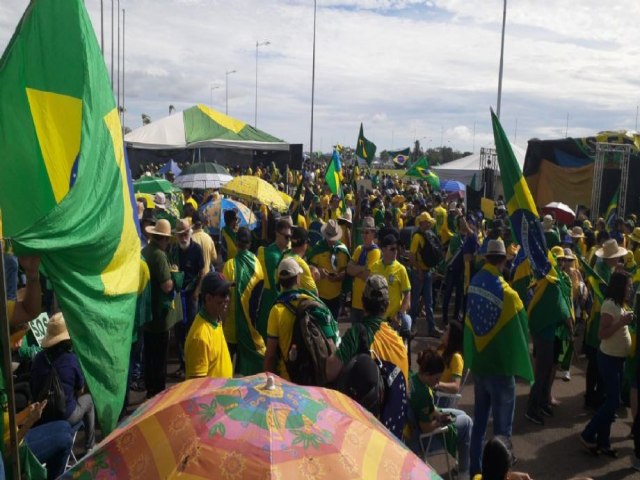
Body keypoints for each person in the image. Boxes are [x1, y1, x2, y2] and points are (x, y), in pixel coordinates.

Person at [465, 239, 533, 476]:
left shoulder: (474, 283)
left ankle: (476, 472)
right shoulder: (509, 295)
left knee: (479, 425)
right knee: (503, 435)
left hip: (480, 367)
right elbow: (522, 333)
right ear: (504, 261)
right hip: (501, 371)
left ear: (486, 259)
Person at [580, 270, 633, 457]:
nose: (631, 289)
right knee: (611, 402)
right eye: (628, 286)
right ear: (620, 287)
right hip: (609, 359)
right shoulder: (609, 305)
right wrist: (622, 323)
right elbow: (602, 334)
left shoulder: (619, 305)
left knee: (612, 402)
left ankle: (604, 442)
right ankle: (588, 433)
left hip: (617, 359)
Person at [325, 275, 408, 387]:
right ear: (387, 305)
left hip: (364, 404)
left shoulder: (357, 333)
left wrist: (330, 344)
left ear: (362, 302)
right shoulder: (399, 342)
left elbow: (330, 372)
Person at [29, 313, 96, 453]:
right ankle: (90, 446)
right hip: (66, 416)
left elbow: (33, 387)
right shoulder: (71, 360)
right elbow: (80, 389)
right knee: (88, 400)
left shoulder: (38, 360)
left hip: (41, 417)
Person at [264, 258, 339, 381]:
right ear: (298, 278)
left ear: (279, 280)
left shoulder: (276, 310)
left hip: (288, 378)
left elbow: (270, 355)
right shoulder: (313, 303)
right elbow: (332, 340)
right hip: (314, 377)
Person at [407, 347, 472, 480]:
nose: (437, 383)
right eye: (436, 379)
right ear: (427, 374)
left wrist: (438, 415)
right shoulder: (423, 394)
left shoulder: (414, 378)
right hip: (425, 439)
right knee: (467, 423)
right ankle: (463, 472)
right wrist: (441, 420)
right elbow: (426, 428)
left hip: (418, 427)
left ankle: (462, 467)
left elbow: (428, 411)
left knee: (462, 413)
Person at [141, 218, 182, 397]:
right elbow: (166, 285)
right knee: (159, 358)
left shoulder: (146, 250)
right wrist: (176, 277)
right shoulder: (158, 255)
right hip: (160, 315)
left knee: (149, 354)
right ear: (163, 238)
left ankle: (150, 388)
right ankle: (157, 393)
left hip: (148, 312)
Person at [222, 227, 266, 376]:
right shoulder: (257, 265)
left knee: (226, 368)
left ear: (236, 243)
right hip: (250, 327)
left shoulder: (229, 265)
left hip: (230, 328)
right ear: (250, 243)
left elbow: (224, 297)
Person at [169, 218, 205, 379]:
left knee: (191, 329)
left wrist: (197, 292)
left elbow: (202, 273)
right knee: (179, 330)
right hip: (178, 295)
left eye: (185, 234)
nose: (183, 237)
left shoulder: (196, 249)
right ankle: (183, 364)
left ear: (190, 233)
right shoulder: (174, 250)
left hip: (192, 296)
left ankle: (192, 365)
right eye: (180, 235)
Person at [185, 272, 234, 379]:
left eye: (228, 293)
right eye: (223, 294)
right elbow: (197, 386)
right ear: (208, 298)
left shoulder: (216, 320)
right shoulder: (199, 338)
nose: (227, 298)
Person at [370, 234, 411, 346]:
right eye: (392, 249)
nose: (395, 252)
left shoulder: (401, 269)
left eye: (396, 248)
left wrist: (399, 316)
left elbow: (407, 295)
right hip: (378, 321)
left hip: (394, 322)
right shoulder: (374, 267)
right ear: (383, 249)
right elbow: (369, 293)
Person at [307, 219, 351, 321]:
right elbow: (309, 270)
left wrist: (340, 276)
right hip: (320, 296)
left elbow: (345, 270)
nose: (331, 240)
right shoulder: (317, 249)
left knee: (333, 323)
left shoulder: (342, 250)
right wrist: (318, 272)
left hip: (336, 296)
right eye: (329, 237)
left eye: (333, 237)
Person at [256, 218, 292, 338]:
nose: (289, 240)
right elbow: (274, 287)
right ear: (277, 234)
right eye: (286, 237)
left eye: (290, 237)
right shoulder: (272, 256)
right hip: (272, 303)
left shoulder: (283, 251)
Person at [409, 211, 441, 337]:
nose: (429, 225)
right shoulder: (417, 237)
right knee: (416, 301)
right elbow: (411, 257)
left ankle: (431, 327)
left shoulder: (427, 235)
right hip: (419, 273)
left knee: (429, 301)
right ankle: (412, 326)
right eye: (427, 222)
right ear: (422, 223)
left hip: (426, 272)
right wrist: (419, 269)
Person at [346, 217, 381, 323]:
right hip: (355, 301)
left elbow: (367, 276)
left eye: (367, 232)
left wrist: (355, 270)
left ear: (373, 234)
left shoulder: (375, 252)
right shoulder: (359, 249)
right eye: (362, 232)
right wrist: (362, 268)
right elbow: (348, 269)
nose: (364, 235)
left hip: (367, 301)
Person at [435, 320, 465, 407]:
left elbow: (455, 387)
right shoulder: (441, 350)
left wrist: (436, 384)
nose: (442, 331)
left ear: (452, 336)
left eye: (446, 330)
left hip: (441, 398)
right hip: (432, 393)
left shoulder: (456, 358)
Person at [287, 226, 319, 295]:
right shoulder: (301, 264)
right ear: (305, 243)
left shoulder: (285, 255)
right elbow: (315, 294)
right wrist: (313, 278)